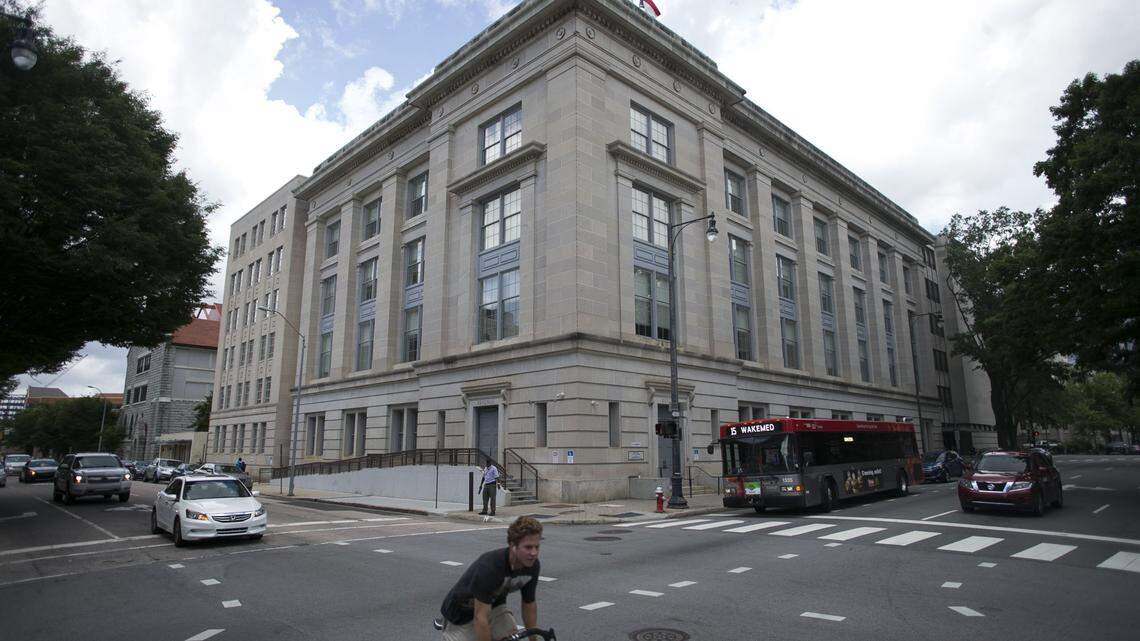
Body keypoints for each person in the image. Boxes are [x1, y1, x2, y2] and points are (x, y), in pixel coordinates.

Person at [439, 516, 543, 641]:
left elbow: (528, 604)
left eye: (536, 547)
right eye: (528, 547)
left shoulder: (532, 566)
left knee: (512, 637)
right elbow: (480, 616)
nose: (534, 553)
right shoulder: (491, 567)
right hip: (460, 615)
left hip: (494, 607)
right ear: (513, 546)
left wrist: (534, 639)